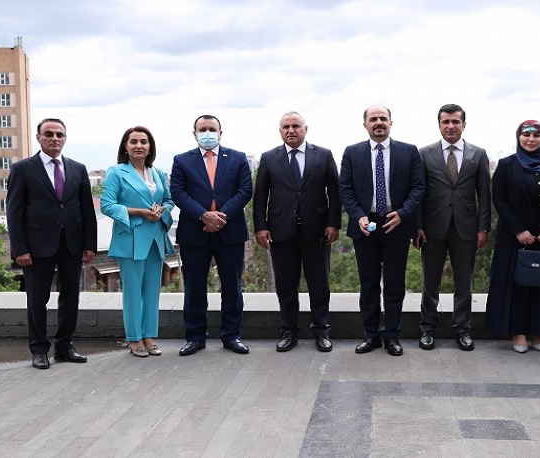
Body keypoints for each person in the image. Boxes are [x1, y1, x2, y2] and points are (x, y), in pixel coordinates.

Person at [6, 118, 97, 369]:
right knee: (37, 298)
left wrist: (89, 245)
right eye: (49, 134)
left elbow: (87, 210)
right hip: (36, 248)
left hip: (71, 245)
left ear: (65, 138)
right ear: (39, 137)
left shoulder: (78, 169)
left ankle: (65, 347)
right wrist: (20, 249)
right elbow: (14, 213)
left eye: (59, 134)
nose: (54, 138)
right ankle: (38, 350)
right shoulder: (23, 168)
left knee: (71, 297)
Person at [339, 105, 425, 356]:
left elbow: (418, 187)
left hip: (395, 225)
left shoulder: (409, 152)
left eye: (383, 119)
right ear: (365, 124)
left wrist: (403, 213)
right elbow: (345, 189)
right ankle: (371, 335)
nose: (378, 123)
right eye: (373, 119)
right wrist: (359, 217)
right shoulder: (352, 152)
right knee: (368, 285)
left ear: (391, 122)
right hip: (365, 228)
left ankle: (391, 336)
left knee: (394, 285)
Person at [253, 112, 341, 352]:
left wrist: (334, 223)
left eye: (295, 126)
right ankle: (288, 332)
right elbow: (260, 195)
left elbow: (334, 191)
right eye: (286, 127)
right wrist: (261, 227)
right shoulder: (270, 158)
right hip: (281, 233)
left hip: (317, 232)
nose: (290, 130)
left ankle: (322, 331)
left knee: (319, 284)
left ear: (305, 128)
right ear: (280, 131)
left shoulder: (323, 155)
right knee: (286, 286)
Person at [485, 120, 540, 353]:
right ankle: (519, 332)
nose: (531, 139)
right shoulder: (506, 165)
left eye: (537, 135)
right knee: (517, 287)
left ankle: (539, 331)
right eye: (526, 135)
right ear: (519, 137)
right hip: (514, 237)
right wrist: (518, 230)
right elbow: (499, 200)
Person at [171, 115, 253, 355]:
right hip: (194, 232)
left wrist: (221, 216)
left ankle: (231, 335)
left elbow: (245, 190)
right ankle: (196, 337)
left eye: (212, 129)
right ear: (194, 133)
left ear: (221, 132)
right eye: (202, 129)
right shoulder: (182, 160)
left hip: (231, 231)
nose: (207, 133)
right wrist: (203, 215)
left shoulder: (237, 158)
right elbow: (177, 192)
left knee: (232, 286)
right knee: (194, 287)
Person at [414, 104, 492, 351]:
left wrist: (483, 228)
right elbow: (417, 192)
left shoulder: (478, 154)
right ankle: (427, 328)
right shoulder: (424, 153)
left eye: (455, 122)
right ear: (439, 125)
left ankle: (463, 329)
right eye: (445, 122)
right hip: (432, 227)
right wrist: (416, 226)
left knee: (464, 282)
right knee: (430, 281)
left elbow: (484, 195)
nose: (450, 126)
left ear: (463, 125)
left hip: (466, 228)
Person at [100, 126, 175, 358]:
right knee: (133, 292)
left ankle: (149, 335)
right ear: (126, 146)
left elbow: (169, 200)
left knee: (152, 291)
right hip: (130, 240)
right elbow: (107, 205)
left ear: (150, 146)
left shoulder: (158, 173)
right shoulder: (116, 172)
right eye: (133, 141)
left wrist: (162, 209)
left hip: (155, 239)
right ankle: (134, 338)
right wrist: (139, 212)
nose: (139, 145)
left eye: (144, 141)